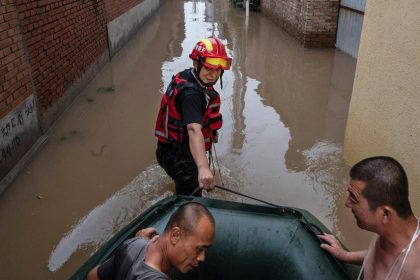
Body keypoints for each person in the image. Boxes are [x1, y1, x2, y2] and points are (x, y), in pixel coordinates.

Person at [318, 156, 420, 280]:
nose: (347, 203)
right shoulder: (395, 229)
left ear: (385, 214)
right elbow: (379, 255)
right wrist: (345, 255)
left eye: (353, 198)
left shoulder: (415, 271)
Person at [154, 36, 232, 196]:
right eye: (208, 69)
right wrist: (203, 167)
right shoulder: (191, 95)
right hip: (178, 156)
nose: (213, 75)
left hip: (168, 149)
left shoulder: (188, 76)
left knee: (186, 187)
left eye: (217, 70)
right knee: (191, 201)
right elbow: (193, 129)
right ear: (196, 64)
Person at [87, 202, 216, 280]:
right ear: (175, 235)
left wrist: (139, 242)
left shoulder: (133, 244)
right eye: (199, 249)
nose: (202, 258)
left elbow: (93, 276)